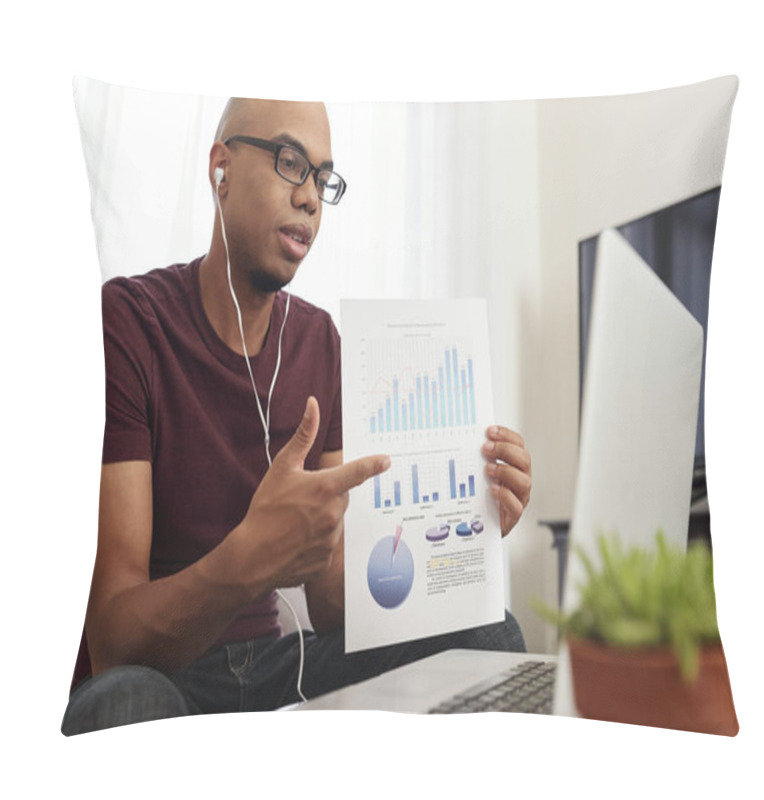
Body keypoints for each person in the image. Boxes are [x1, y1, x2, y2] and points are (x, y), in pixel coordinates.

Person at [61, 98, 532, 735]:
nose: (310, 197)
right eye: (290, 163)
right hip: (166, 674)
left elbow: (335, 605)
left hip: (282, 666)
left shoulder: (320, 343)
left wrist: (462, 530)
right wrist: (247, 559)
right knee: (121, 705)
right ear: (220, 168)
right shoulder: (130, 321)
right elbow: (113, 641)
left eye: (322, 177)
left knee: (492, 633)